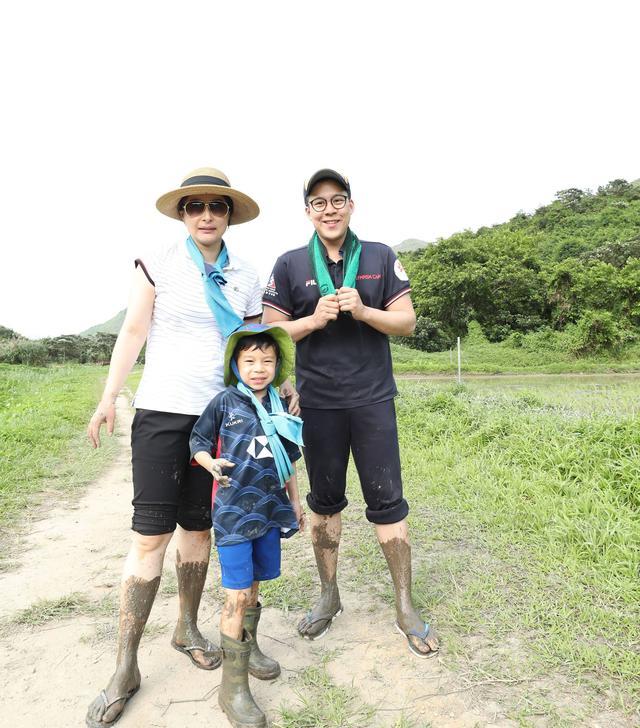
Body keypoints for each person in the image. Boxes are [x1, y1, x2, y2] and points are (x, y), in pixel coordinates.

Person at [85, 168, 297, 728]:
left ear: (230, 214)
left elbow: (253, 349)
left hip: (226, 419)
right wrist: (111, 397)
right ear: (182, 214)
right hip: (161, 412)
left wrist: (278, 393)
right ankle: (125, 667)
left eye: (217, 206)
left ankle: (190, 627)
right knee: (150, 536)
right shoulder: (157, 261)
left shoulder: (247, 274)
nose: (206, 214)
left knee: (204, 529)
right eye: (195, 206)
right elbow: (133, 331)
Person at [262, 168, 440, 658]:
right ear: (308, 213)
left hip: (372, 400)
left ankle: (405, 604)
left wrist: (363, 312)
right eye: (318, 203)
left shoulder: (380, 256)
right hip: (317, 404)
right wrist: (313, 320)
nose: (329, 209)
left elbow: (406, 321)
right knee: (324, 504)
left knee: (388, 502)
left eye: (337, 199)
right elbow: (272, 335)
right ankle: (328, 595)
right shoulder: (289, 264)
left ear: (351, 205)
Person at [190, 323, 305, 728]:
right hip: (235, 516)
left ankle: (249, 648)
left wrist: (294, 502)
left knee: (255, 588)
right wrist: (210, 465)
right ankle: (232, 689)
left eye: (267, 361)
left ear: (278, 366)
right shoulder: (224, 402)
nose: (259, 368)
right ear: (235, 364)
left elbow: (288, 459)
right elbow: (198, 442)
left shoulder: (281, 405)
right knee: (236, 597)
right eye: (250, 360)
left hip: (270, 512)